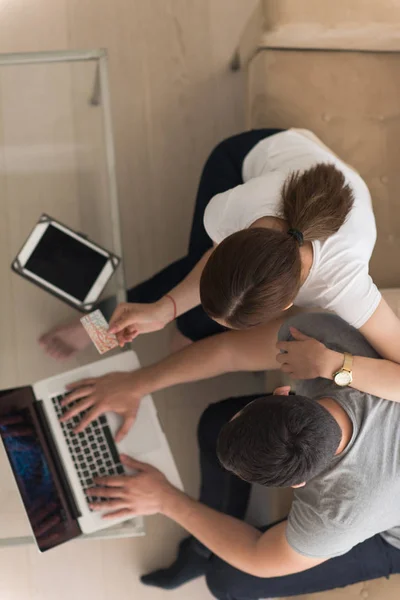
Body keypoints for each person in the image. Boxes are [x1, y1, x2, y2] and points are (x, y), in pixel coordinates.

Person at [39, 127, 400, 401]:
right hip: (241, 158)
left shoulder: (345, 283)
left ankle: (101, 322)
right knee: (187, 323)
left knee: (188, 330)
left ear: (289, 304)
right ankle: (92, 324)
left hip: (323, 186)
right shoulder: (229, 209)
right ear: (231, 240)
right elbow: (210, 261)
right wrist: (165, 310)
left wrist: (335, 366)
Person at [82, 312, 400, 598]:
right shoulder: (321, 341)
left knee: (226, 580)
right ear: (284, 392)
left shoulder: (336, 518)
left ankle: (204, 546)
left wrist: (166, 500)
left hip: (392, 535)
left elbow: (257, 556)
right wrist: (136, 383)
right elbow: (229, 351)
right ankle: (201, 544)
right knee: (214, 424)